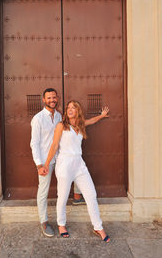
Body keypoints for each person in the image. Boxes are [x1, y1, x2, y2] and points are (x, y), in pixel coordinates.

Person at [43, 100, 110, 242]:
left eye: (73, 107)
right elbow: (55, 145)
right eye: (68, 108)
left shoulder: (80, 125)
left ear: (77, 110)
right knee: (62, 196)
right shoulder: (62, 125)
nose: (70, 110)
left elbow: (91, 121)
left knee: (91, 194)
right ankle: (61, 225)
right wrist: (46, 164)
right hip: (65, 164)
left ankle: (98, 227)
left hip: (79, 163)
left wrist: (102, 116)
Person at [30, 89, 84, 237]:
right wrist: (39, 164)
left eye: (54, 97)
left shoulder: (60, 115)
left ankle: (78, 196)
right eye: (49, 98)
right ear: (43, 99)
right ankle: (44, 221)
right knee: (43, 191)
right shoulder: (38, 119)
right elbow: (34, 143)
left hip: (59, 158)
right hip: (45, 162)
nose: (52, 100)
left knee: (76, 170)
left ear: (57, 98)